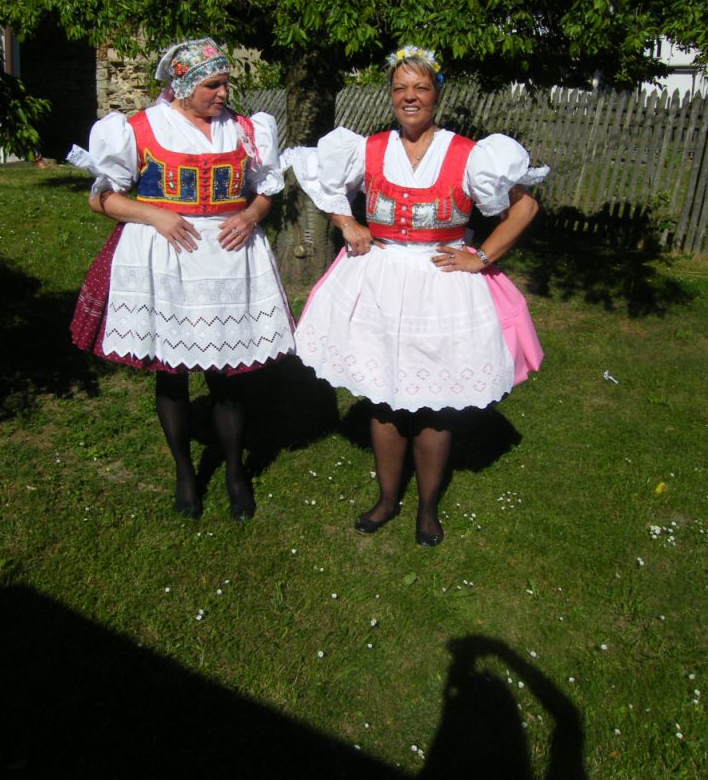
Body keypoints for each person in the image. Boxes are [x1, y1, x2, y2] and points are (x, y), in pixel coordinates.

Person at [285, 45, 548, 546]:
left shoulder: (470, 154)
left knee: (436, 403)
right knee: (383, 400)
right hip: (378, 280)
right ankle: (387, 500)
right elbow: (322, 183)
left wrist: (482, 256)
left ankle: (427, 508)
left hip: (441, 286)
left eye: (421, 88)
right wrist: (347, 223)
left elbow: (525, 208)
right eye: (400, 88)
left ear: (436, 95)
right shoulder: (367, 148)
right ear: (390, 95)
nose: (410, 97)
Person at [67, 38, 295, 522]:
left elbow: (265, 190)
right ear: (184, 86)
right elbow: (101, 199)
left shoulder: (246, 129)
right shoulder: (140, 128)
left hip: (228, 259)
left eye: (225, 83)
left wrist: (251, 215)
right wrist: (157, 215)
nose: (223, 93)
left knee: (227, 373)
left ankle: (235, 471)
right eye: (213, 85)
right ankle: (185, 472)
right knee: (171, 373)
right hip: (165, 256)